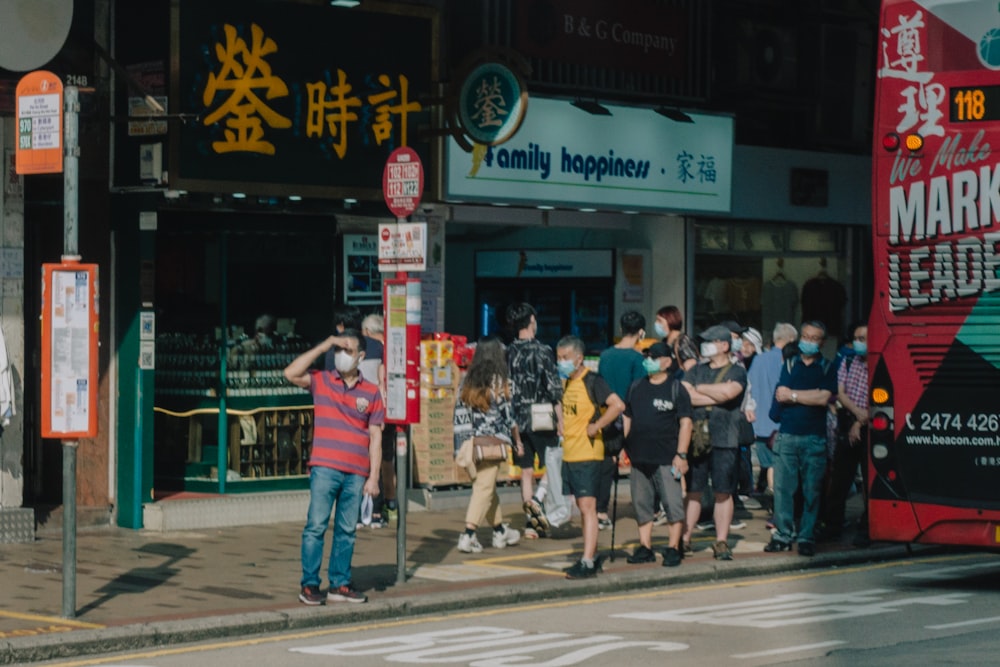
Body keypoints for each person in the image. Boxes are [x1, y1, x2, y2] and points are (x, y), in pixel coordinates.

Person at [284, 329, 383, 604]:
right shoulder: (322, 381)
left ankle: (340, 582)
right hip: (325, 468)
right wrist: (324, 344)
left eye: (348, 350)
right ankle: (310, 584)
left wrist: (373, 477)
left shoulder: (371, 392)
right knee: (316, 526)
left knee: (347, 530)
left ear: (361, 357)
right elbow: (290, 373)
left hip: (355, 472)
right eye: (338, 350)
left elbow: (376, 436)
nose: (341, 355)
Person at [764, 320, 838, 558]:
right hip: (787, 435)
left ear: (822, 342)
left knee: (812, 491)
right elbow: (779, 394)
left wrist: (794, 395)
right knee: (783, 490)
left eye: (814, 338)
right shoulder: (789, 364)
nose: (808, 341)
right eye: (805, 336)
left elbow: (823, 397)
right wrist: (806, 396)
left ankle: (806, 536)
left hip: (814, 438)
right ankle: (783, 535)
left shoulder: (827, 367)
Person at [556, 335, 625, 578]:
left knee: (588, 506)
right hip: (571, 452)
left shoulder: (593, 381)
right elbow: (564, 407)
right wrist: (561, 422)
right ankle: (590, 554)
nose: (561, 362)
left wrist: (597, 426)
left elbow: (617, 405)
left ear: (579, 358)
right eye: (559, 358)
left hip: (589, 453)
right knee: (581, 507)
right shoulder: (566, 383)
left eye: (565, 358)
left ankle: (587, 560)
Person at [681, 324, 747, 561]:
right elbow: (685, 394)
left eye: (710, 341)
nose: (704, 346)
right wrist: (715, 393)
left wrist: (701, 390)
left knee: (723, 492)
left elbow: (731, 394)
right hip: (698, 437)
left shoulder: (737, 371)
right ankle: (685, 538)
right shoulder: (696, 370)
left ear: (724, 345)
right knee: (693, 490)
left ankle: (721, 541)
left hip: (725, 439)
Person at [623, 342, 692, 567]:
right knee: (641, 504)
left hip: (667, 457)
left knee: (672, 504)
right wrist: (623, 447)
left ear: (667, 361)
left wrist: (681, 455)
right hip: (638, 457)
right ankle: (645, 547)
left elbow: (686, 423)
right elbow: (628, 417)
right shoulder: (636, 387)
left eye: (653, 357)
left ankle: (673, 547)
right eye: (647, 357)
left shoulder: (676, 388)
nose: (648, 361)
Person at [452, 336, 523, 553]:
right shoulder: (500, 382)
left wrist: (459, 445)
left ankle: (500, 531)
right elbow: (509, 417)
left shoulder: (467, 380)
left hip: (469, 444)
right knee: (484, 488)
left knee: (487, 488)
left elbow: (458, 414)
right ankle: (468, 534)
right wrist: (517, 441)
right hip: (492, 443)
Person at [506, 303, 564, 538]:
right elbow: (554, 390)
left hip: (516, 419)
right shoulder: (543, 351)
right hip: (542, 416)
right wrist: (561, 421)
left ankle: (531, 522)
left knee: (526, 471)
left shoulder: (507, 351)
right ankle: (539, 501)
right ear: (531, 320)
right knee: (554, 464)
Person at [596, 310, 647, 530]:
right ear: (641, 333)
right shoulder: (638, 359)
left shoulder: (605, 355)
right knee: (640, 465)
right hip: (631, 416)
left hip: (607, 414)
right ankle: (646, 509)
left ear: (620, 330)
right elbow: (638, 391)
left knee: (607, 464)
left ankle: (600, 511)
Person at [824, 322, 870, 545]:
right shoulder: (849, 361)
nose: (859, 343)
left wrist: (861, 423)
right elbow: (840, 393)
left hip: (871, 427)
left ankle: (867, 528)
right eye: (857, 339)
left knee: (871, 481)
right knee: (840, 478)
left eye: (864, 338)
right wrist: (857, 415)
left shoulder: (882, 363)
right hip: (849, 421)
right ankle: (833, 525)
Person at [746, 323, 798, 502]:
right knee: (780, 468)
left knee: (769, 466)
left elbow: (750, 389)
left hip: (760, 426)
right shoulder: (790, 360)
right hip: (782, 427)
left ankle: (775, 504)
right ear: (791, 340)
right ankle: (779, 508)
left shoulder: (758, 360)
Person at [361, 313, 397, 529]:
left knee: (372, 457)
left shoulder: (370, 349)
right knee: (387, 458)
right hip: (389, 410)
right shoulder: (392, 347)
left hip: (372, 411)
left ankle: (374, 505)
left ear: (366, 332)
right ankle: (390, 503)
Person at [654, 305, 698, 375]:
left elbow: (692, 365)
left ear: (670, 320)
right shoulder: (665, 341)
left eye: (659, 321)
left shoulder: (683, 341)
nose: (656, 324)